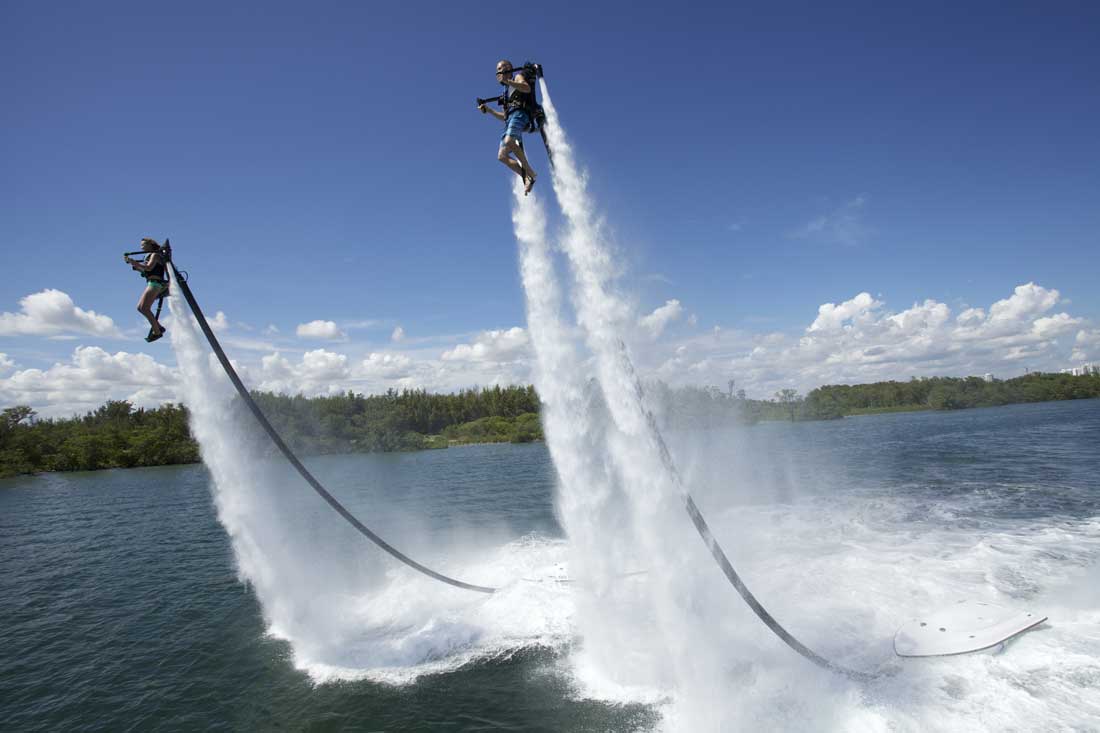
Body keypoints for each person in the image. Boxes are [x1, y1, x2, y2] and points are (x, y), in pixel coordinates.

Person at [479, 59, 538, 195]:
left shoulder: (517, 77)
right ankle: (527, 177)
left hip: (520, 114)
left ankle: (530, 173)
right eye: (498, 69)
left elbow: (527, 88)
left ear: (509, 68)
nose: (500, 70)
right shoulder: (505, 93)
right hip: (510, 119)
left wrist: (509, 81)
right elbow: (504, 117)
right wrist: (489, 110)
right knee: (502, 156)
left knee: (509, 141)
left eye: (503, 67)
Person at [124, 237, 168, 342]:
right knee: (140, 308)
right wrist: (133, 265)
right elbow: (146, 271)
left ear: (150, 245)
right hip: (151, 283)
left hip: (155, 284)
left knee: (144, 308)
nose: (141, 246)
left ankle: (158, 331)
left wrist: (133, 262)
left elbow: (148, 267)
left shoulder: (155, 255)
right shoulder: (149, 256)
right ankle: (158, 328)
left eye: (143, 244)